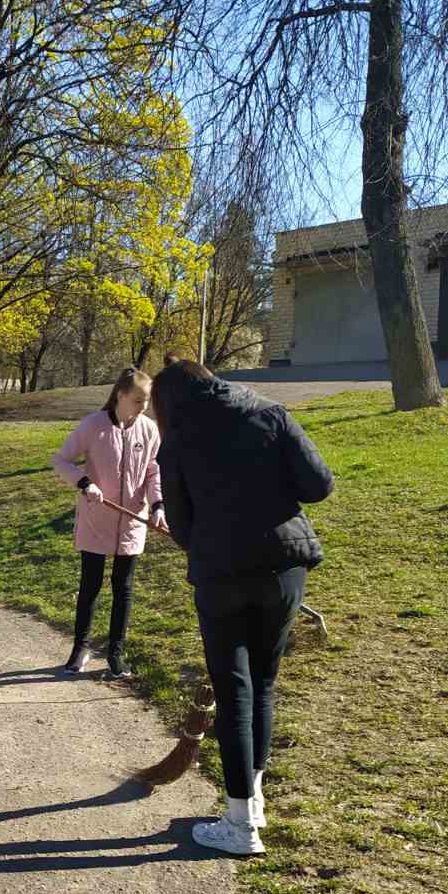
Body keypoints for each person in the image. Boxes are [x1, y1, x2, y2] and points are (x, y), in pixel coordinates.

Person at [150, 357, 334, 856]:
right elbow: (318, 485)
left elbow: (181, 523)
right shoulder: (270, 413)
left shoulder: (178, 438)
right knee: (264, 683)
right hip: (284, 566)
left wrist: (211, 541)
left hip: (222, 575)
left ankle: (239, 823)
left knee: (235, 690)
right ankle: (253, 802)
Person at [53, 367, 164, 679]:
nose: (143, 407)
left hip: (132, 521)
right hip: (96, 519)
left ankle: (116, 652)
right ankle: (80, 648)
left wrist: (158, 505)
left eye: (147, 401)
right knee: (90, 585)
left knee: (123, 587)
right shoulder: (93, 425)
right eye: (138, 400)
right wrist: (84, 483)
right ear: (120, 395)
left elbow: (154, 471)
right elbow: (61, 460)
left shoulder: (149, 429)